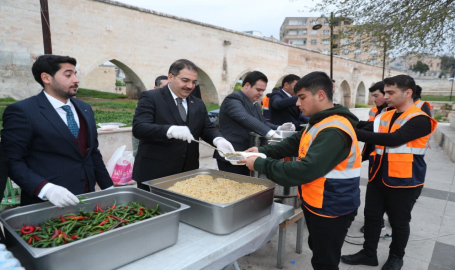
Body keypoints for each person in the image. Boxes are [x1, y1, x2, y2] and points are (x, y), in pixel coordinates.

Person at [241, 71, 361, 269]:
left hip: (332, 206)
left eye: (302, 98)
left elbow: (304, 170)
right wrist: (262, 151)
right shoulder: (319, 122)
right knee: (319, 251)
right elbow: (292, 144)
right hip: (318, 201)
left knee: (325, 261)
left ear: (321, 95)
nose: (297, 104)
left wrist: (261, 164)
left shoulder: (334, 130)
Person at [341, 75, 437, 270]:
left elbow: (394, 139)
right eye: (385, 92)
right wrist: (340, 120)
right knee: (372, 217)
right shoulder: (385, 114)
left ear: (408, 93)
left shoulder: (420, 119)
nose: (386, 96)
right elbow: (366, 127)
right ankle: (369, 254)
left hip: (405, 180)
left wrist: (350, 132)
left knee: (399, 222)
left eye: (390, 92)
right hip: (378, 175)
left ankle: (396, 257)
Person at [1, 55, 114, 207]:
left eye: (75, 74)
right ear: (46, 78)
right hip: (46, 205)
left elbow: (92, 153)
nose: (76, 80)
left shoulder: (85, 108)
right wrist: (45, 189)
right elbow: (13, 160)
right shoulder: (23, 111)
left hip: (87, 199)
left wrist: (109, 188)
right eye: (68, 75)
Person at [132, 59, 234, 190]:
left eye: (193, 82)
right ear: (170, 77)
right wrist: (169, 130)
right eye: (185, 80)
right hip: (155, 173)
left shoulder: (198, 103)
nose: (190, 86)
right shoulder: (151, 97)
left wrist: (218, 139)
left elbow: (207, 128)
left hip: (188, 173)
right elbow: (139, 128)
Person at [214, 71, 295, 176]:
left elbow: (262, 123)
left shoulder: (255, 104)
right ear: (247, 85)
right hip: (232, 154)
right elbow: (245, 118)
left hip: (249, 153)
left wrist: (279, 128)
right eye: (258, 90)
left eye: (263, 91)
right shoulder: (233, 99)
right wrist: (271, 134)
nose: (261, 94)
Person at [132, 75, 169, 157]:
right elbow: (139, 128)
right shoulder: (147, 102)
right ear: (156, 88)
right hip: (150, 153)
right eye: (165, 87)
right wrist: (136, 152)